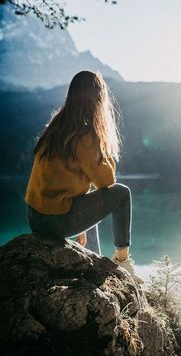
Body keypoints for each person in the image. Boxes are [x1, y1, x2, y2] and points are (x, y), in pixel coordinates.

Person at [25, 70, 143, 284]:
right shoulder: (85, 134)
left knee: (95, 196)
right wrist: (104, 150)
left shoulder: (57, 126)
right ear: (97, 100)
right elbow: (107, 182)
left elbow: (74, 182)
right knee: (121, 194)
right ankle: (122, 261)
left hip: (36, 217)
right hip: (56, 220)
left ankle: (94, 259)